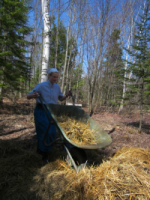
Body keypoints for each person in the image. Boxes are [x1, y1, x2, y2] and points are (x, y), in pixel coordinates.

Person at [27, 68, 70, 163]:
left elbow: (61, 98)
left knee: (51, 132)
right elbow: (28, 95)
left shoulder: (57, 87)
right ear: (49, 76)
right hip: (42, 110)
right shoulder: (41, 86)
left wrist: (66, 96)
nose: (55, 79)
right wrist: (33, 95)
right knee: (43, 131)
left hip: (52, 110)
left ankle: (46, 150)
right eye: (54, 76)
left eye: (57, 77)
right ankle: (43, 154)